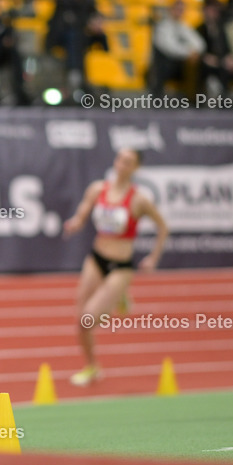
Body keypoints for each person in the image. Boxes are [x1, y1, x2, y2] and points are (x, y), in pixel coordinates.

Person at [63, 148, 168, 386]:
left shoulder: (139, 199)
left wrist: (153, 257)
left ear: (136, 168)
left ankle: (119, 294)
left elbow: (163, 227)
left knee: (89, 318)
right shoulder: (97, 189)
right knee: (80, 319)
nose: (122, 165)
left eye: (129, 162)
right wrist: (75, 223)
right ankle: (92, 367)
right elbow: (82, 212)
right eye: (120, 159)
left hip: (121, 266)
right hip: (96, 258)